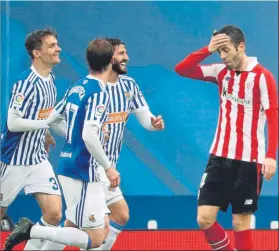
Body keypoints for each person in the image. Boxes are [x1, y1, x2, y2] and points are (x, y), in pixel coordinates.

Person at [4, 38, 120, 251]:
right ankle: (31, 230)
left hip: (57, 163)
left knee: (69, 221)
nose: (58, 48)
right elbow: (89, 136)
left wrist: (62, 134)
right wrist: (108, 167)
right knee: (95, 238)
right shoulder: (99, 92)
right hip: (77, 169)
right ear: (111, 60)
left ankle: (32, 235)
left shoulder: (76, 86)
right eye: (52, 45)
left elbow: (55, 118)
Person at [175, 25, 278, 250]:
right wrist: (207, 49)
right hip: (219, 157)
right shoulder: (220, 72)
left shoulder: (262, 77)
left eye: (226, 50)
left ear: (241, 47)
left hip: (249, 161)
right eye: (219, 52)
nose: (223, 57)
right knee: (204, 218)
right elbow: (181, 69)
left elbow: (273, 117)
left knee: (240, 223)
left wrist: (271, 155)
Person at [0, 28, 63, 250]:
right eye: (52, 46)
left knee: (54, 214)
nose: (58, 49)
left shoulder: (51, 80)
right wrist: (46, 125)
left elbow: (41, 114)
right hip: (12, 160)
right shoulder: (25, 83)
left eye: (57, 44)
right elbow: (13, 123)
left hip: (37, 160)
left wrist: (45, 134)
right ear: (37, 53)